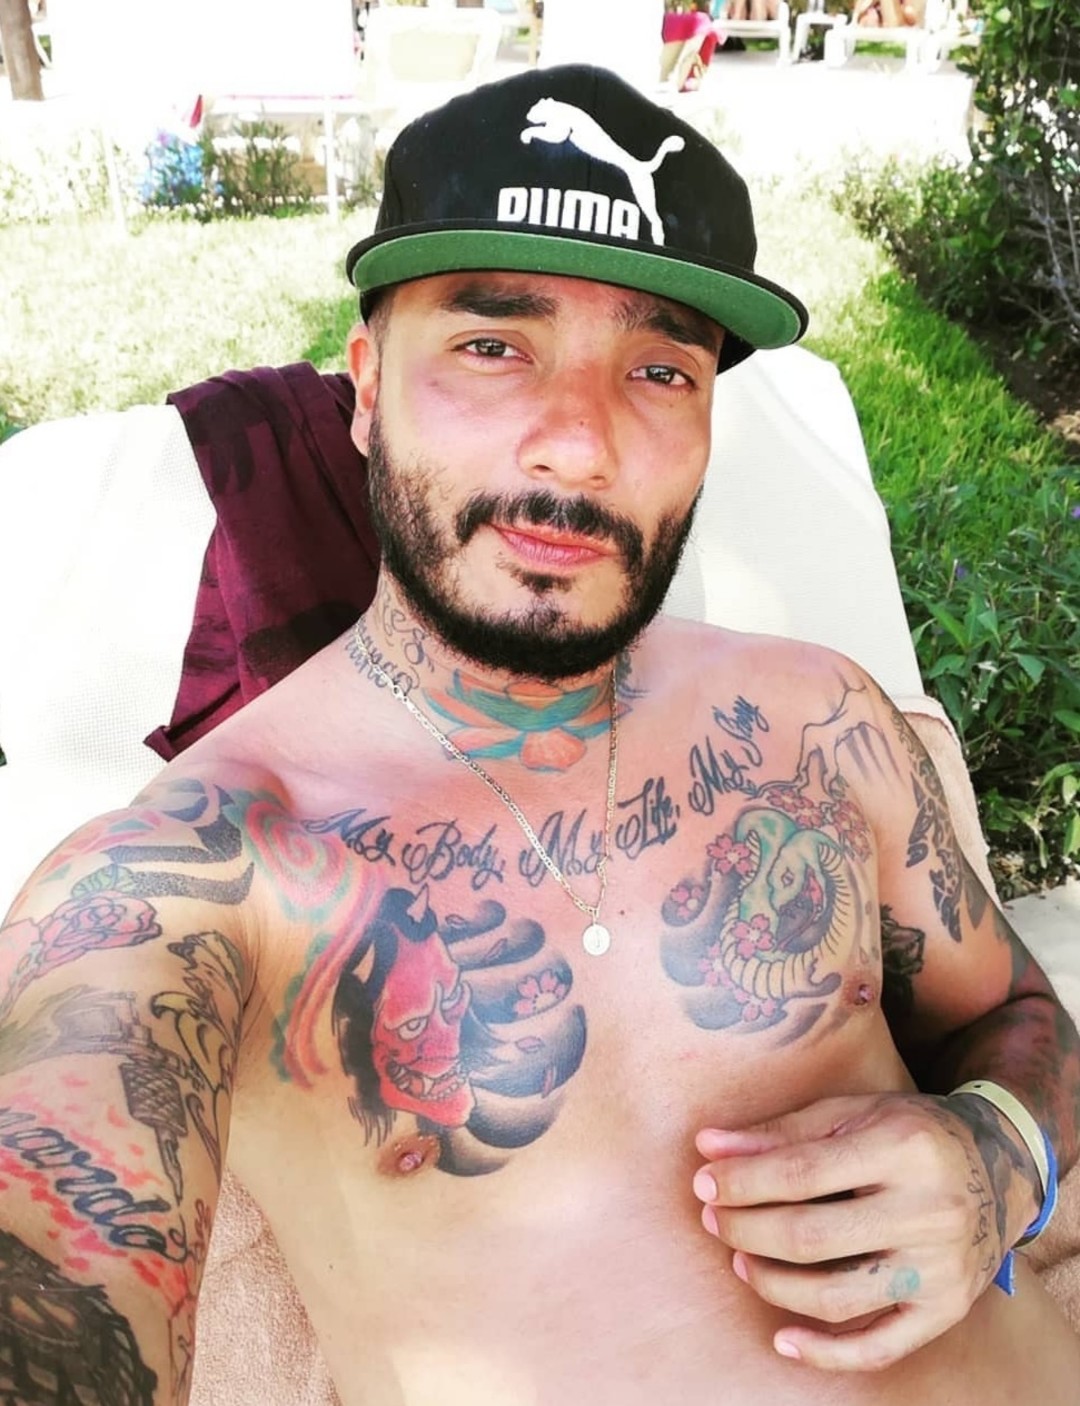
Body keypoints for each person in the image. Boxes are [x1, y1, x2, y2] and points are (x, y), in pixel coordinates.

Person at [1, 63, 1078, 1406]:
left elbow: (1018, 1014)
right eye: (493, 347)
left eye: (659, 368)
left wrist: (1000, 1153)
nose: (578, 443)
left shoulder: (820, 719)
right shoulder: (199, 876)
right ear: (366, 387)